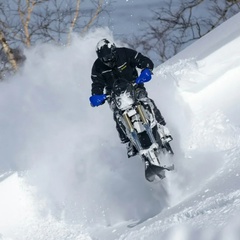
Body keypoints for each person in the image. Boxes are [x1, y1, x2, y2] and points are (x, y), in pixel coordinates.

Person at [89, 38, 171, 157]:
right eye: (104, 59)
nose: (108, 60)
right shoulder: (97, 67)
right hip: (114, 94)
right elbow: (97, 83)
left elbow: (142, 60)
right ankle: (128, 142)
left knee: (146, 101)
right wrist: (96, 96)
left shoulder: (124, 53)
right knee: (117, 114)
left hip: (134, 86)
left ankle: (162, 127)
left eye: (109, 56)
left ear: (113, 50)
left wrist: (146, 69)